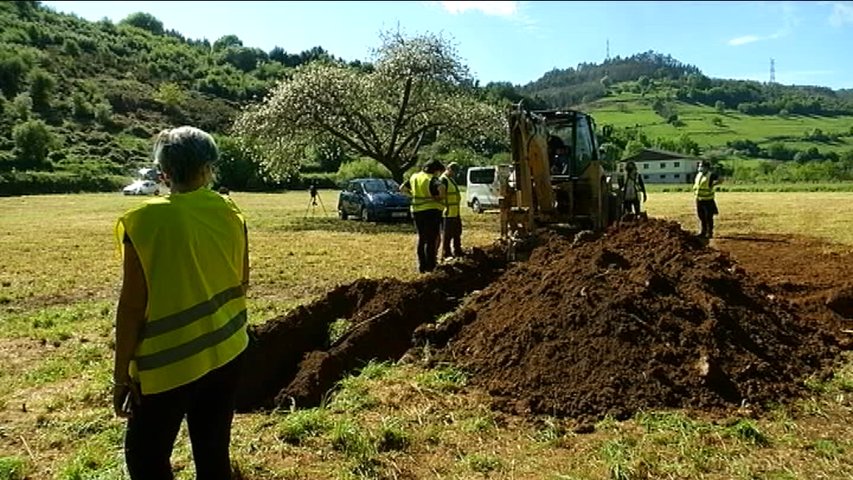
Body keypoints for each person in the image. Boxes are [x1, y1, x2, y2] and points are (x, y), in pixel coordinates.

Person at [113, 126, 250, 480]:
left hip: (167, 367)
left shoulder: (144, 221)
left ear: (164, 171)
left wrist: (120, 378)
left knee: (145, 458)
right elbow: (242, 282)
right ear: (210, 166)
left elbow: (130, 308)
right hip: (227, 352)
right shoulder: (231, 211)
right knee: (213, 450)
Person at [400, 159, 445, 273]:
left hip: (416, 211)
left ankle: (421, 266)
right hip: (432, 211)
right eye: (439, 172)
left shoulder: (415, 177)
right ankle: (431, 265)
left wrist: (413, 195)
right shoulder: (432, 178)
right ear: (435, 170)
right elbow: (441, 190)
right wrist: (437, 198)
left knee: (421, 238)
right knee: (431, 239)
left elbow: (402, 188)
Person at [440, 162, 463, 260]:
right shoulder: (443, 180)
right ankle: (446, 252)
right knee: (448, 234)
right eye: (453, 171)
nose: (454, 173)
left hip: (455, 211)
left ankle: (458, 250)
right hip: (448, 212)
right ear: (448, 169)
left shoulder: (451, 180)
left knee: (457, 232)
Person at [693, 160, 720, 238]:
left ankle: (709, 232)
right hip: (699, 199)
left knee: (708, 217)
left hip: (708, 199)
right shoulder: (699, 175)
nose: (700, 168)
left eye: (701, 166)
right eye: (699, 166)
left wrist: (713, 184)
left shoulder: (711, 175)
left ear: (707, 168)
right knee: (701, 216)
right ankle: (703, 231)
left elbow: (721, 179)